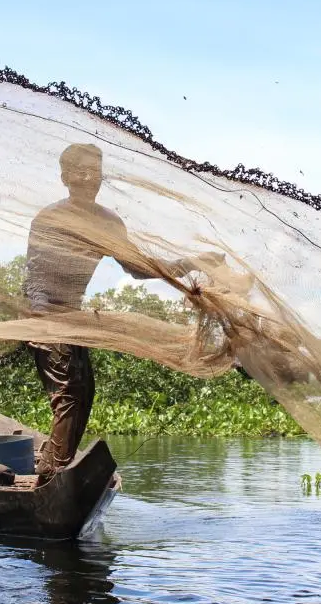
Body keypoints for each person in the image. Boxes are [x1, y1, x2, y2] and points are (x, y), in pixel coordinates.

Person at [24, 143, 219, 478]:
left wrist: (192, 264)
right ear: (65, 177)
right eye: (80, 170)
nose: (89, 177)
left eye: (95, 171)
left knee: (85, 390)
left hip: (72, 316)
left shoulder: (108, 222)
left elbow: (138, 268)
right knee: (70, 390)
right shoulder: (50, 218)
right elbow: (35, 278)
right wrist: (45, 323)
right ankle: (50, 476)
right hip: (42, 314)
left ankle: (51, 464)